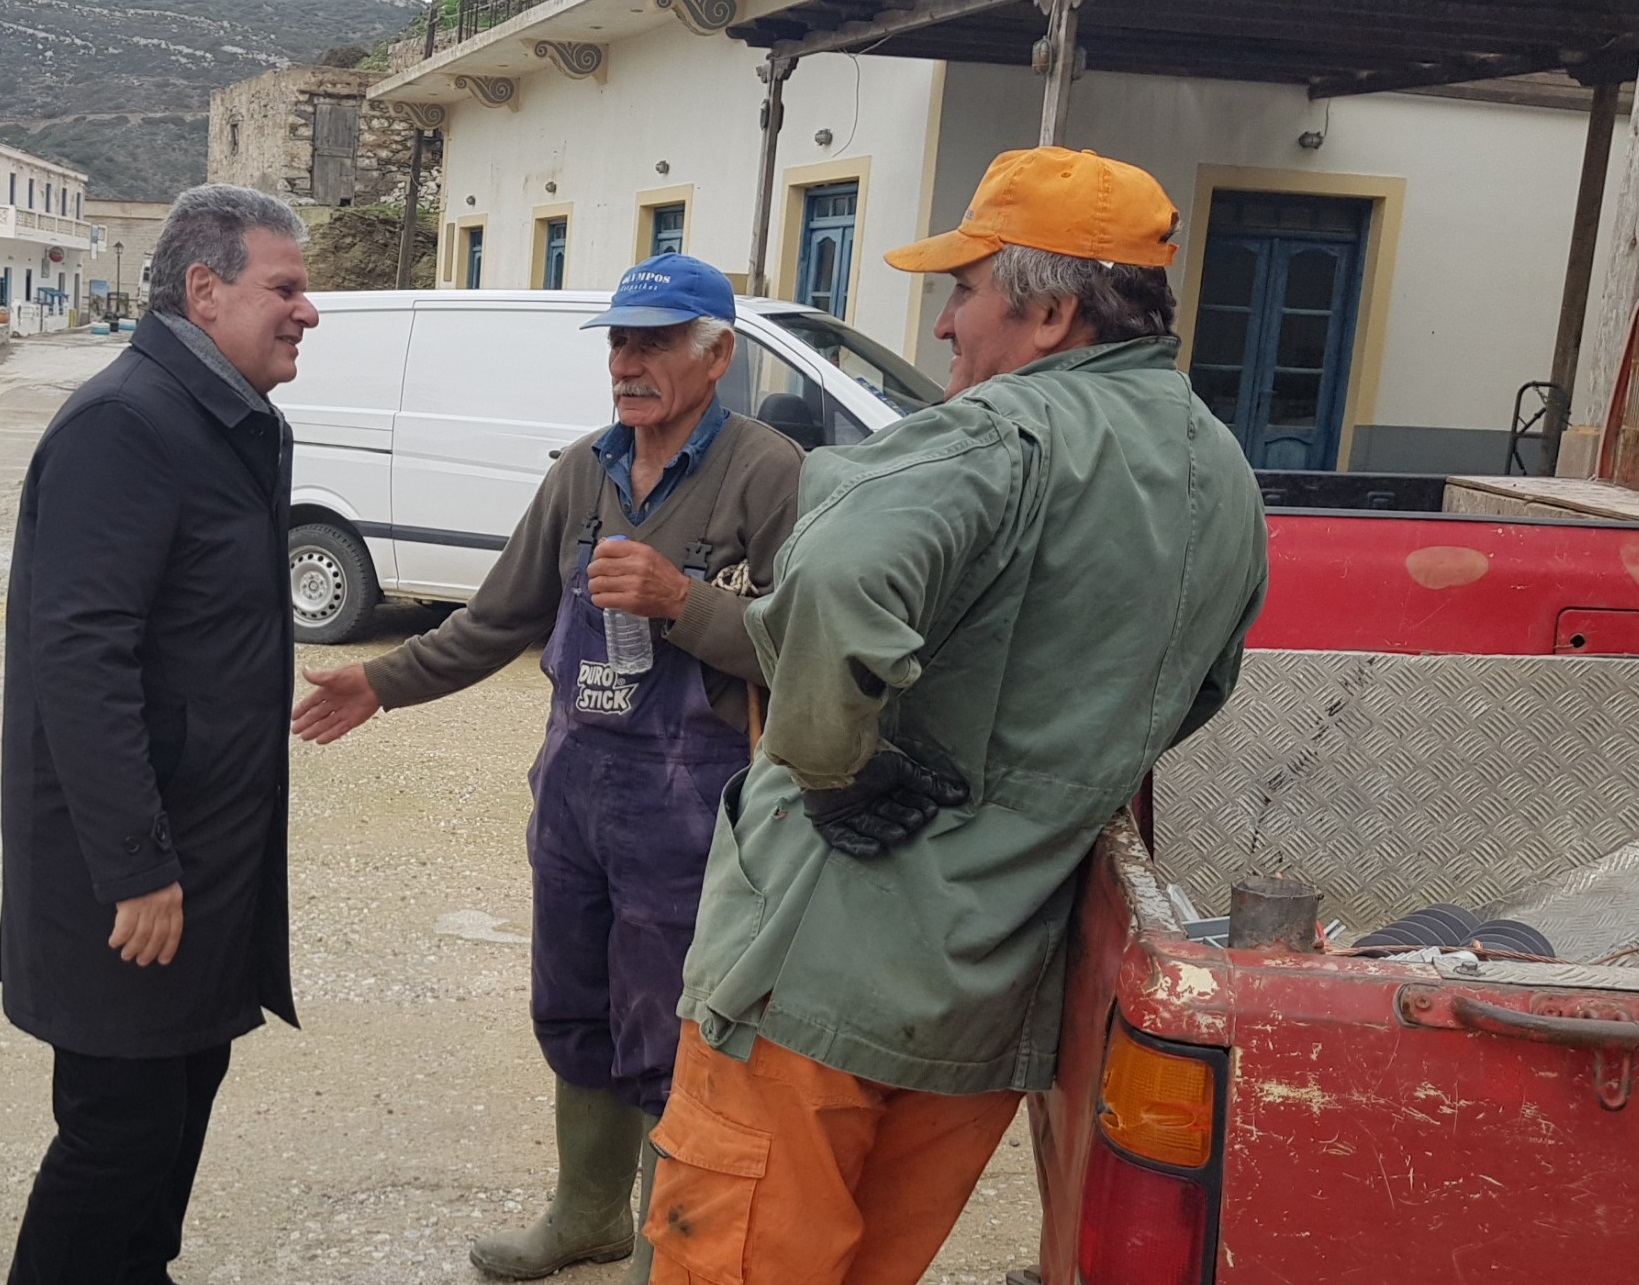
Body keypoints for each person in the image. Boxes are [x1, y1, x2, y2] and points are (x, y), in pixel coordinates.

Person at [642, 146, 1270, 1284]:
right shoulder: (1219, 474)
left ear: (1051, 313)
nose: (942, 324)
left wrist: (835, 769)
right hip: (985, 990)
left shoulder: (995, 433)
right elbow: (1199, 690)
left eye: (964, 289)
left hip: (814, 969)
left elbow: (833, 579)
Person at [291, 252, 804, 1283]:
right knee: (574, 1005)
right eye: (619, 342)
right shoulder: (583, 469)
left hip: (695, 810)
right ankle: (587, 1215)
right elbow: (497, 618)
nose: (628, 362)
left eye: (655, 342)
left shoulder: (770, 472)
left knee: (674, 1030)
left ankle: (670, 1250)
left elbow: (811, 649)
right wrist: (381, 681)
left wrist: (684, 602)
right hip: (576, 793)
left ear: (718, 357)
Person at [2, 184, 318, 1284]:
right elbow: (79, 662)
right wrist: (137, 866)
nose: (308, 310)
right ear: (204, 289)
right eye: (285, 287)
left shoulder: (229, 419)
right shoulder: (126, 424)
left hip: (208, 858)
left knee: (183, 1091)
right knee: (120, 1130)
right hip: (133, 869)